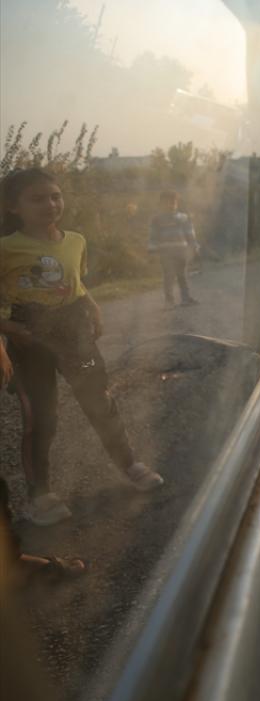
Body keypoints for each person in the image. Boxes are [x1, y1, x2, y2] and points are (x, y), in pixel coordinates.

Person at [0, 168, 164, 527]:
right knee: (41, 418)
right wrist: (8, 329)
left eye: (55, 196)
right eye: (37, 199)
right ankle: (40, 497)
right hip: (29, 338)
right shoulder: (7, 248)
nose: (50, 204)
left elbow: (75, 283)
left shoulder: (75, 240)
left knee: (99, 400)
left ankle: (130, 465)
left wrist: (92, 306)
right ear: (13, 207)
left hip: (74, 332)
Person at [148, 190, 199, 307]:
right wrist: (152, 250)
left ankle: (186, 299)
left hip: (181, 251)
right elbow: (153, 236)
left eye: (173, 202)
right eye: (166, 202)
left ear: (176, 203)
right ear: (161, 203)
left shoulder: (183, 217)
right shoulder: (156, 219)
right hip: (165, 252)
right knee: (169, 276)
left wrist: (194, 246)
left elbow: (190, 233)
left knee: (182, 275)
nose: (170, 205)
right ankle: (169, 301)